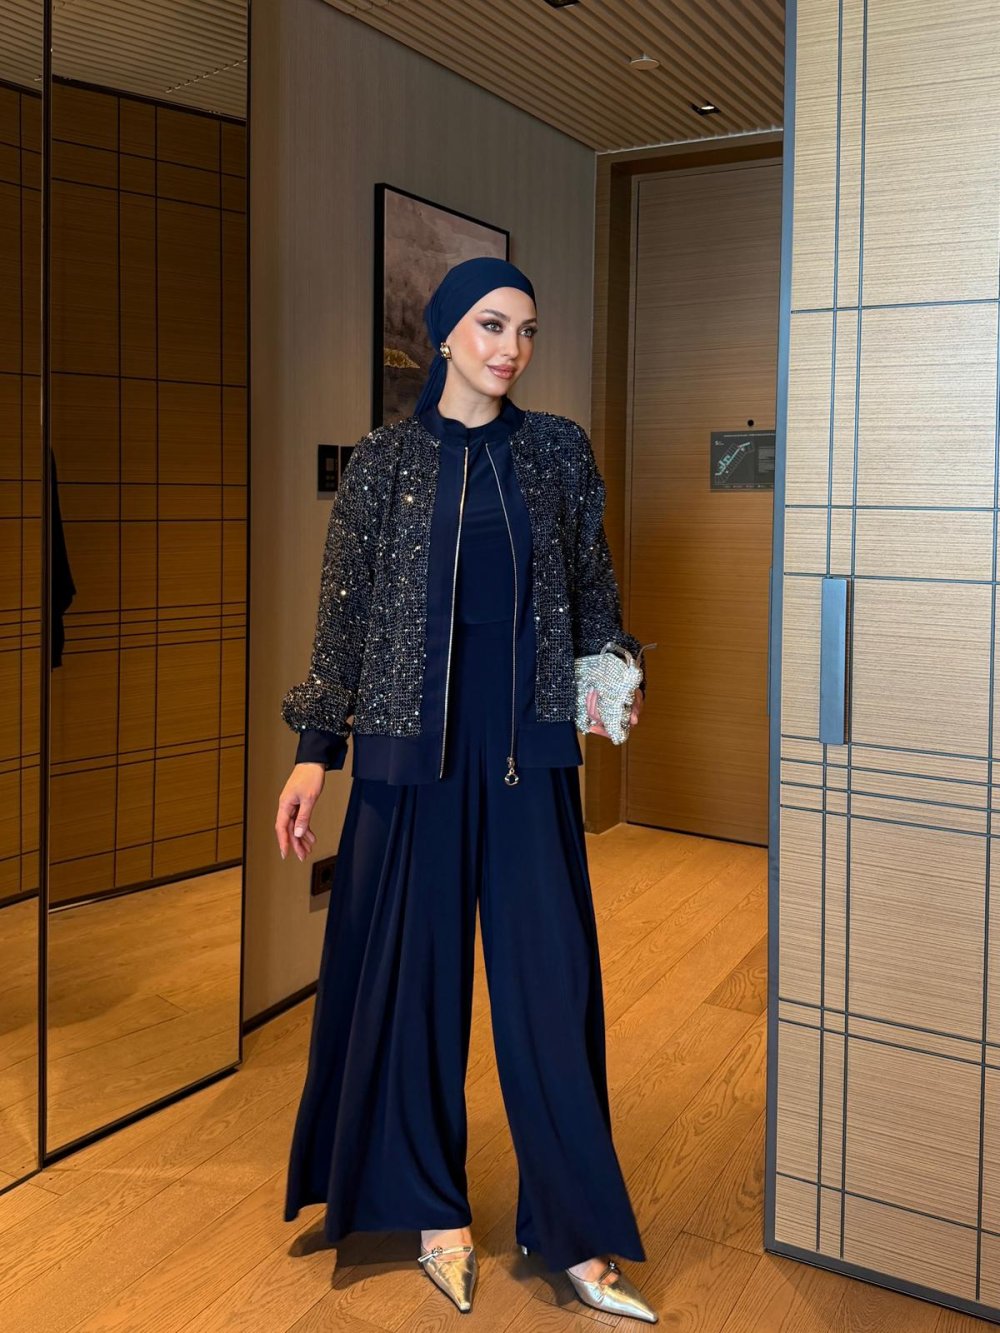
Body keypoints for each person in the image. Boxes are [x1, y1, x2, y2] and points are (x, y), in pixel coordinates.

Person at [275, 256, 658, 1323]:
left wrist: (614, 673)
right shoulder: (382, 465)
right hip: (409, 764)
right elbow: (344, 619)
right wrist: (314, 750)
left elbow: (593, 590)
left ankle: (574, 1230)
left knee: (551, 990)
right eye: (492, 325)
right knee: (413, 986)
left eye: (526, 330)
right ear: (445, 333)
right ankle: (432, 1211)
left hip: (528, 754)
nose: (511, 348)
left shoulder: (558, 451)